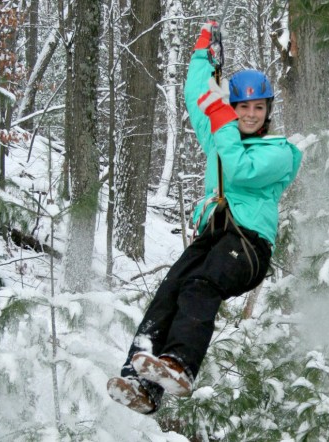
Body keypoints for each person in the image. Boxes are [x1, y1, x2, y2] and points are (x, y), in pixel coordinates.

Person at [106, 22, 302, 414]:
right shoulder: (222, 133)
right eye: (242, 106)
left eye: (257, 108)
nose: (249, 114)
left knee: (199, 285)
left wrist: (222, 117)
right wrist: (201, 57)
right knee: (171, 290)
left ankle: (180, 365)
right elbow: (198, 97)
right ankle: (141, 383)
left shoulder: (280, 151)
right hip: (215, 236)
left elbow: (240, 169)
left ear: (267, 111)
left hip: (248, 247)